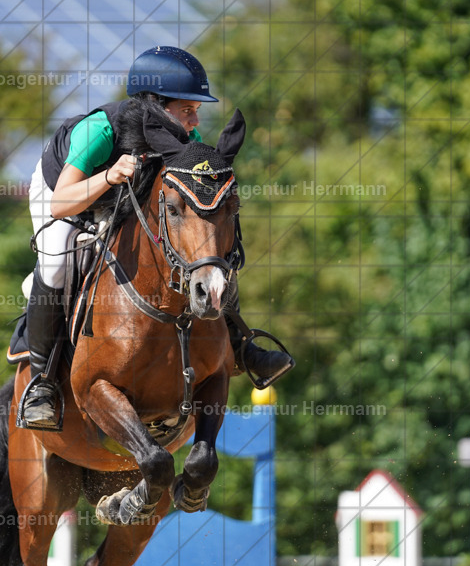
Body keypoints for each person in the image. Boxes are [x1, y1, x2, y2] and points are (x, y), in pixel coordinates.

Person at [20, 46, 294, 430]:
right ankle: (42, 384)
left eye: (196, 111)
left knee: (201, 251)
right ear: (157, 106)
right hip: (65, 192)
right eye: (188, 110)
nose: (196, 120)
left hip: (124, 194)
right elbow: (63, 202)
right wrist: (109, 176)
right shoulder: (98, 130)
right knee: (56, 263)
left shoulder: (185, 137)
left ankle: (240, 345)